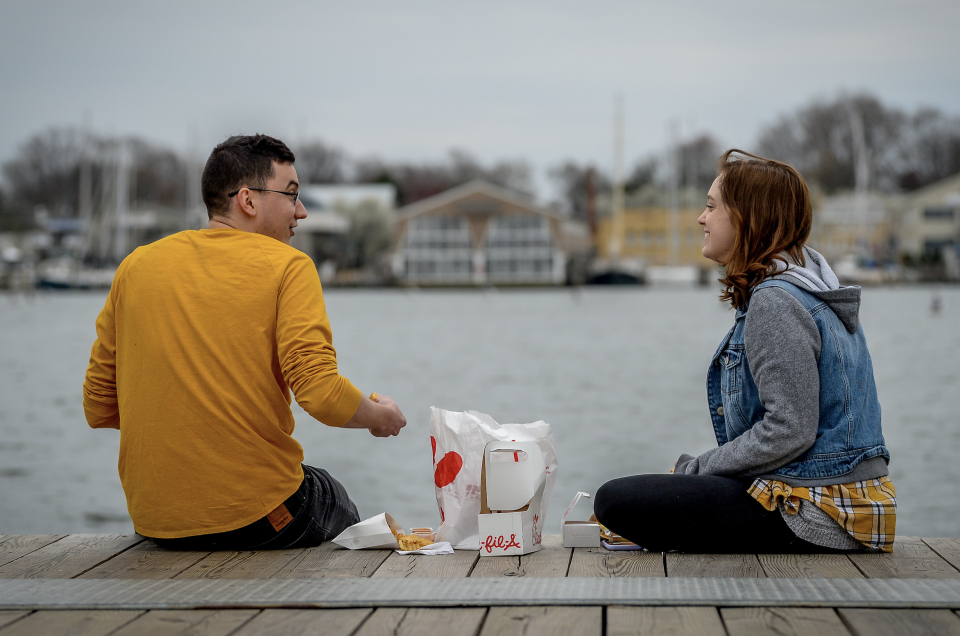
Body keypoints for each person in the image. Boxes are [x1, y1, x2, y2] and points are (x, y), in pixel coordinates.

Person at [83, 134, 406, 551]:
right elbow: (320, 393)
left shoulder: (136, 266)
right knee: (330, 496)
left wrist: (186, 415)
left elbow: (98, 406)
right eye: (291, 195)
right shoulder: (289, 265)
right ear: (248, 201)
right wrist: (380, 418)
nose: (301, 211)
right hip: (258, 517)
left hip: (155, 522)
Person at [595, 149, 896, 554]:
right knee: (662, 490)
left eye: (710, 207)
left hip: (817, 511)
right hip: (838, 498)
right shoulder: (806, 289)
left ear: (746, 217)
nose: (702, 218)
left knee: (615, 500)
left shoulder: (776, 301)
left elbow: (789, 430)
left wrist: (699, 470)